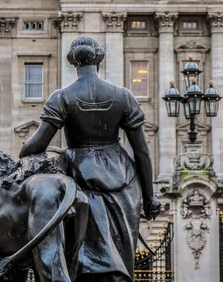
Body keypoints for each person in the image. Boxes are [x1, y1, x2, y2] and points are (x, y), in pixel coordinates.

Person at [20, 36, 161, 282]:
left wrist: (23, 151)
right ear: (99, 60)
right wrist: (149, 197)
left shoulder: (62, 97)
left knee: (81, 254)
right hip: (122, 180)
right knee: (120, 253)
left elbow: (39, 142)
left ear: (74, 61)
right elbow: (142, 152)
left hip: (79, 175)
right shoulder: (123, 96)